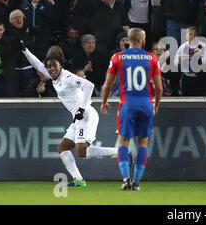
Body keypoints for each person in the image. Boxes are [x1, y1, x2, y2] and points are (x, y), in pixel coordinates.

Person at [20, 40, 119, 187]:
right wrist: (24, 50)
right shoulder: (54, 76)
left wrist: (81, 109)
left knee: (81, 152)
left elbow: (89, 86)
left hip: (86, 115)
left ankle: (120, 152)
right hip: (78, 117)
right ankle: (78, 179)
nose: (51, 69)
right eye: (49, 67)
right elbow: (38, 65)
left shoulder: (67, 77)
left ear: (61, 66)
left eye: (55, 66)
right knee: (63, 148)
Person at [101, 27, 163, 191]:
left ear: (128, 40)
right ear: (142, 40)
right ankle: (136, 183)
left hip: (127, 104)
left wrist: (103, 101)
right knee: (142, 144)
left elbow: (108, 84)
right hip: (145, 104)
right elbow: (158, 88)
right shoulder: (151, 58)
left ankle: (126, 179)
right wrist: (156, 104)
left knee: (123, 142)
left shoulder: (118, 57)